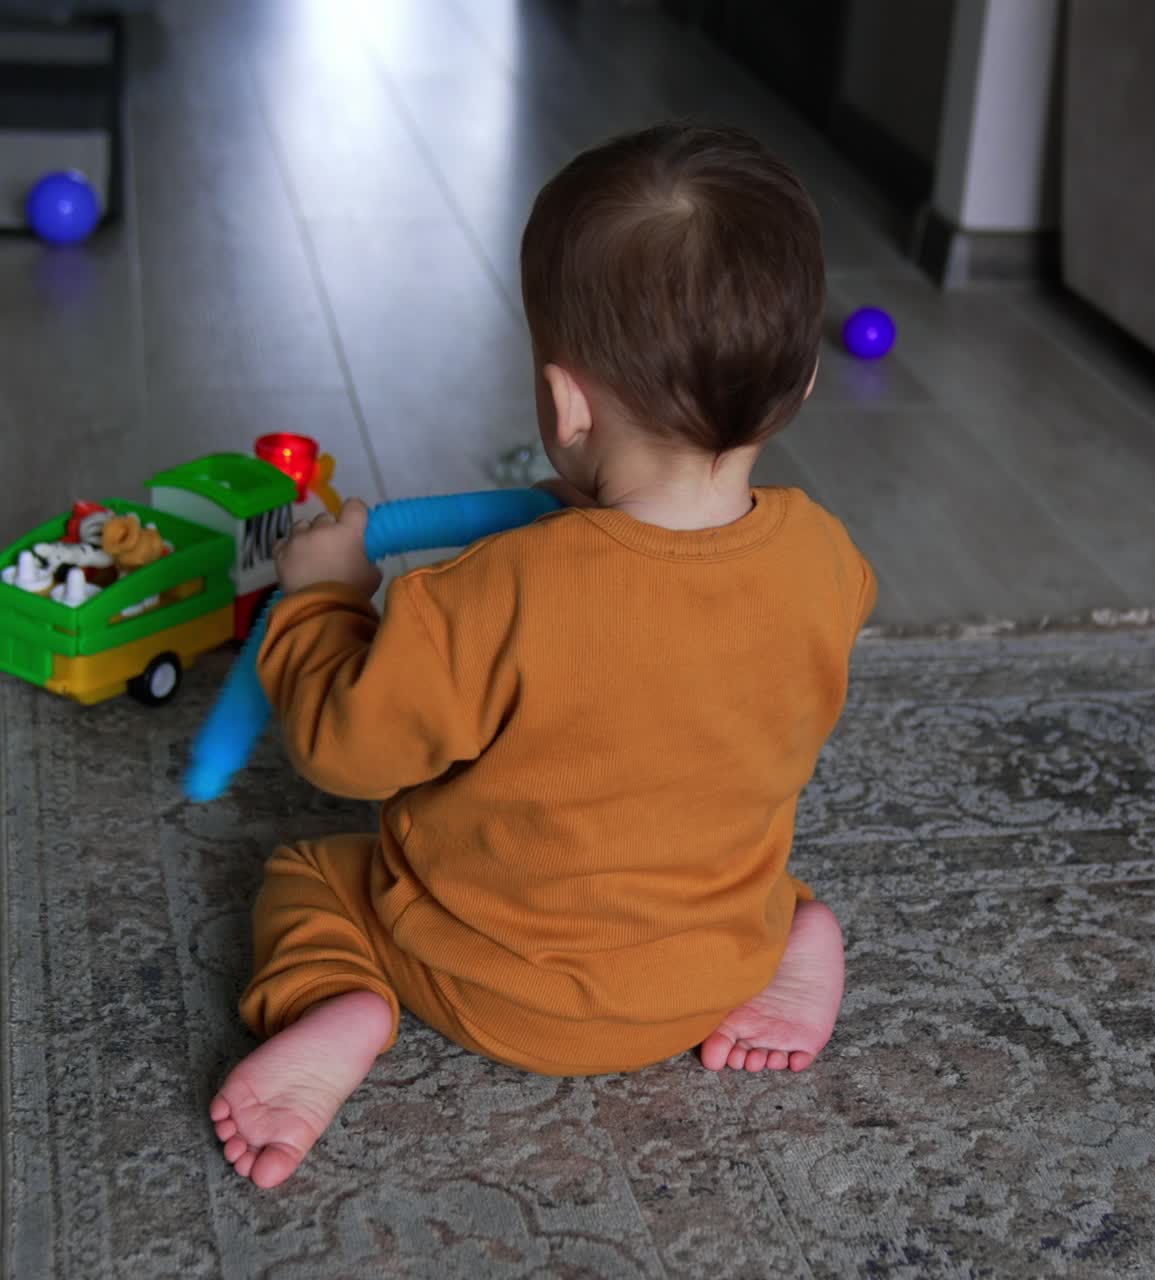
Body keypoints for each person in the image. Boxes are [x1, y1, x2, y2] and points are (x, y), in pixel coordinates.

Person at [210, 122, 877, 1189]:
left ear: (565, 404)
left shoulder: (491, 595)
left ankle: (339, 1002)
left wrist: (323, 597)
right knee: (729, 844)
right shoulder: (827, 560)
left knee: (306, 874)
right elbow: (708, 653)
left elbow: (343, 749)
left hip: (493, 987)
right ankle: (793, 937)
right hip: (708, 965)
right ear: (799, 383)